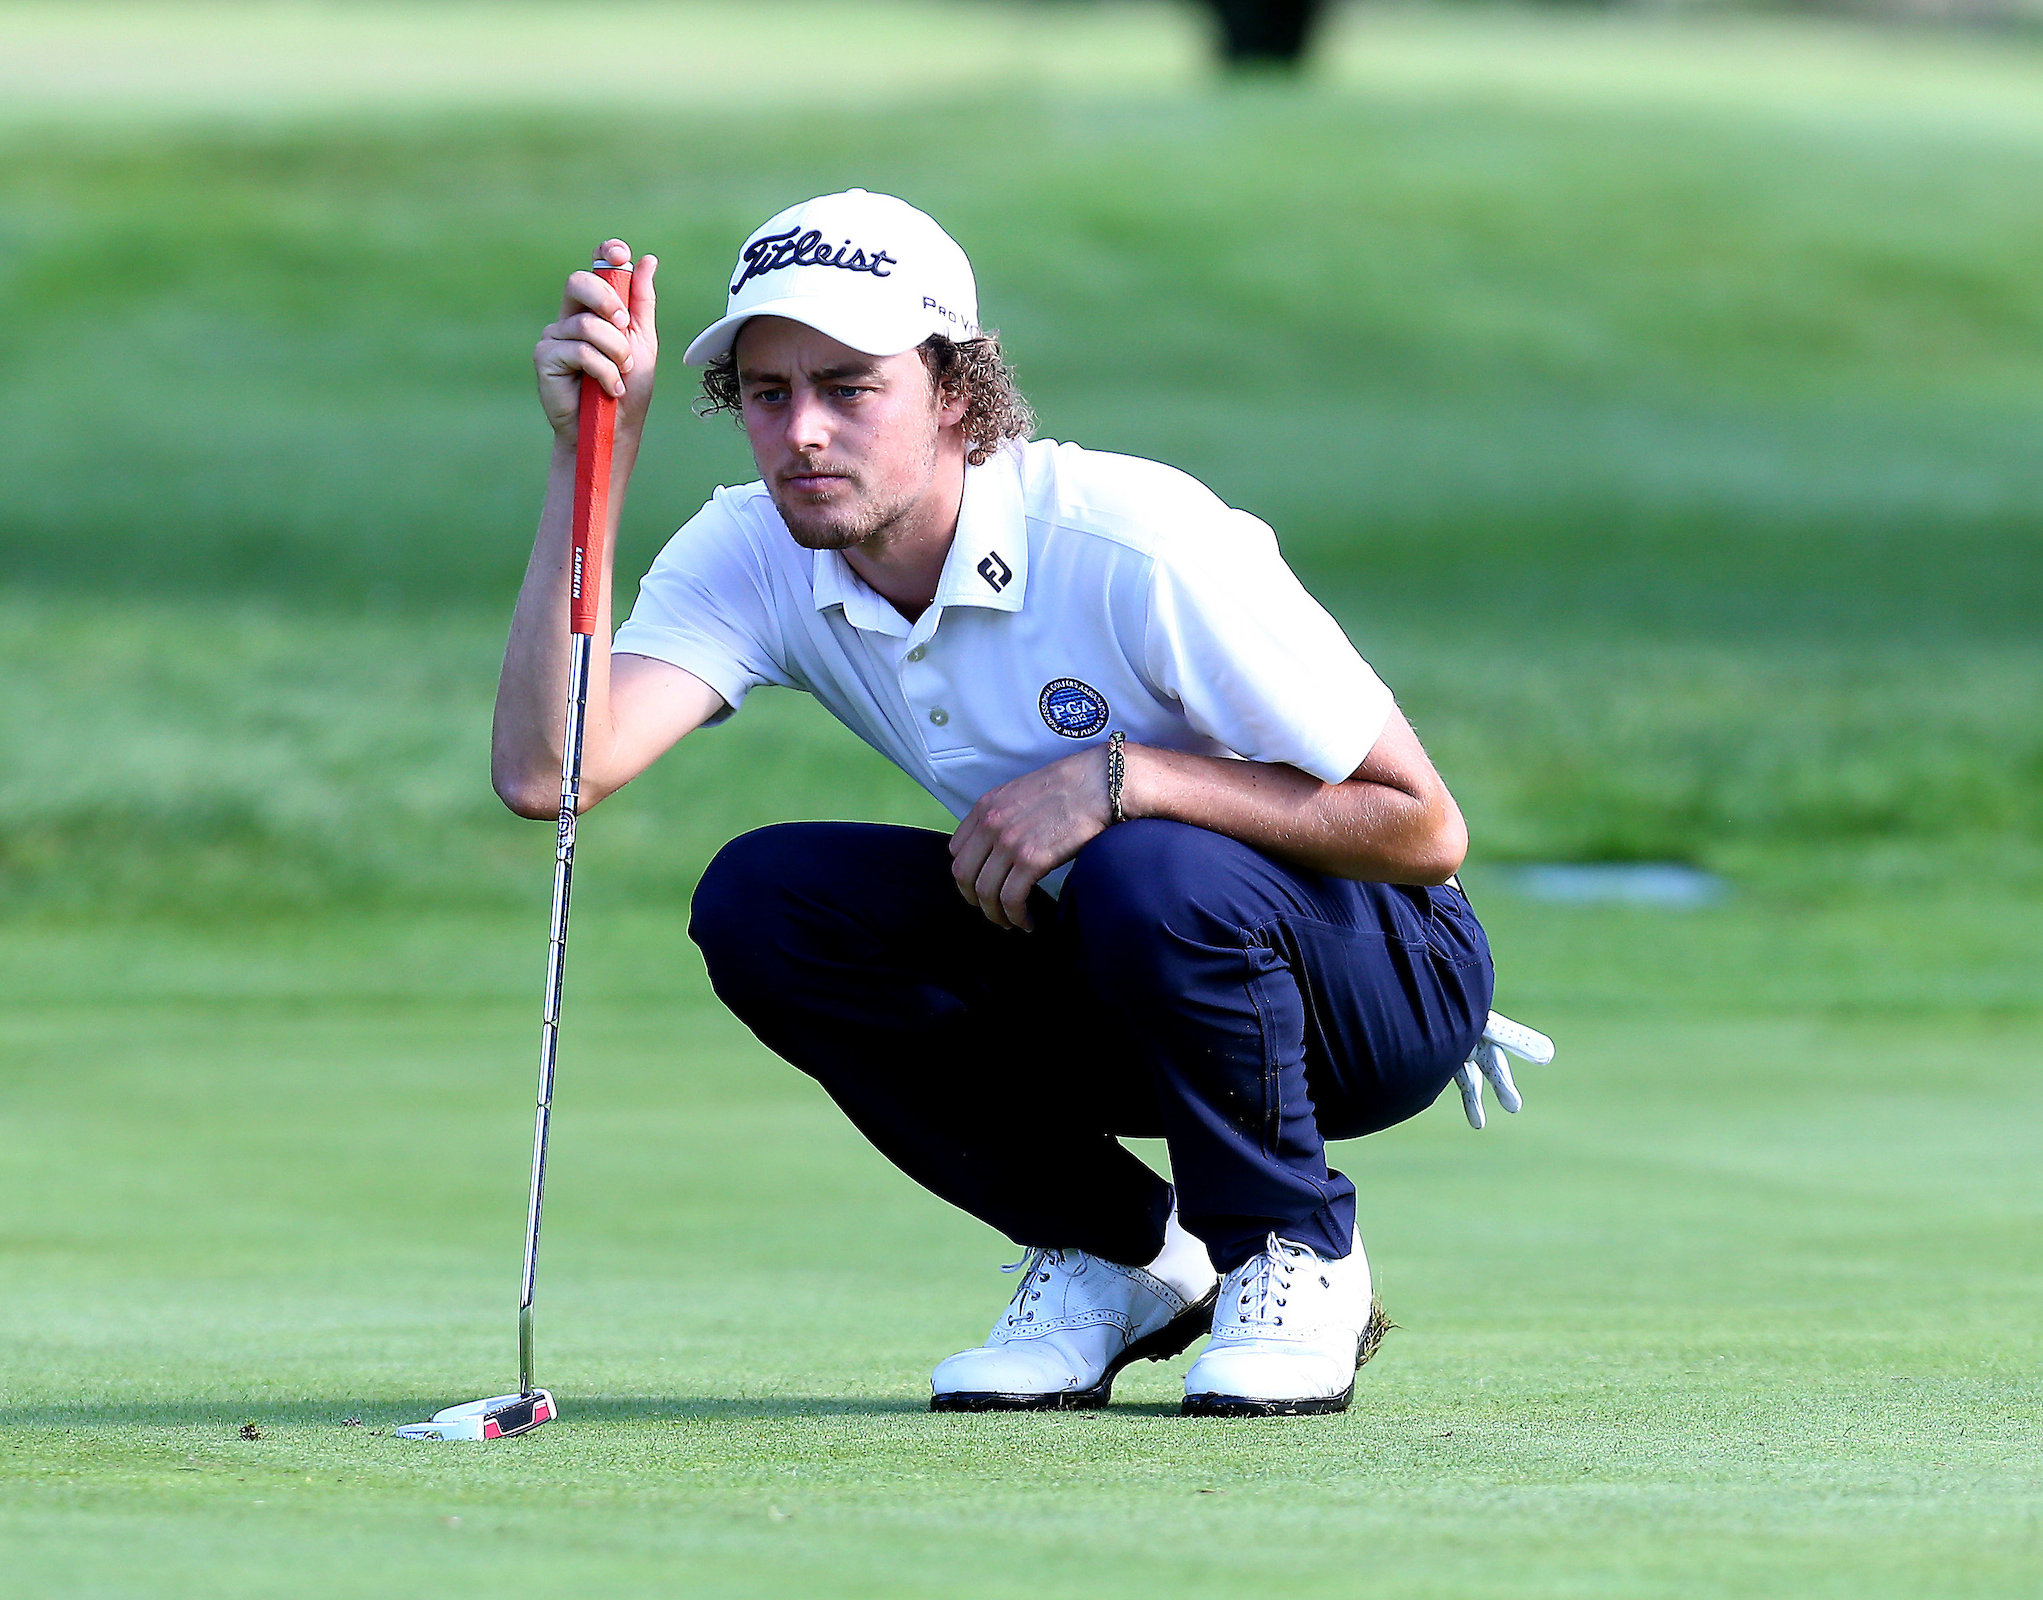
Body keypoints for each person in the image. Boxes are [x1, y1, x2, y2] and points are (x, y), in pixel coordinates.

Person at [494, 190, 1508, 1418]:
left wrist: (1125, 778)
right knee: (766, 900)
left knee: (1146, 862)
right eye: (768, 393)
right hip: (1126, 968)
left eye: (849, 387)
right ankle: (1124, 1249)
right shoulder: (757, 552)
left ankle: (1295, 1248)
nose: (803, 431)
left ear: (956, 393)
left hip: (1380, 976)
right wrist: (590, 457)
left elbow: (1421, 825)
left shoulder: (1132, 539)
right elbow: (550, 772)